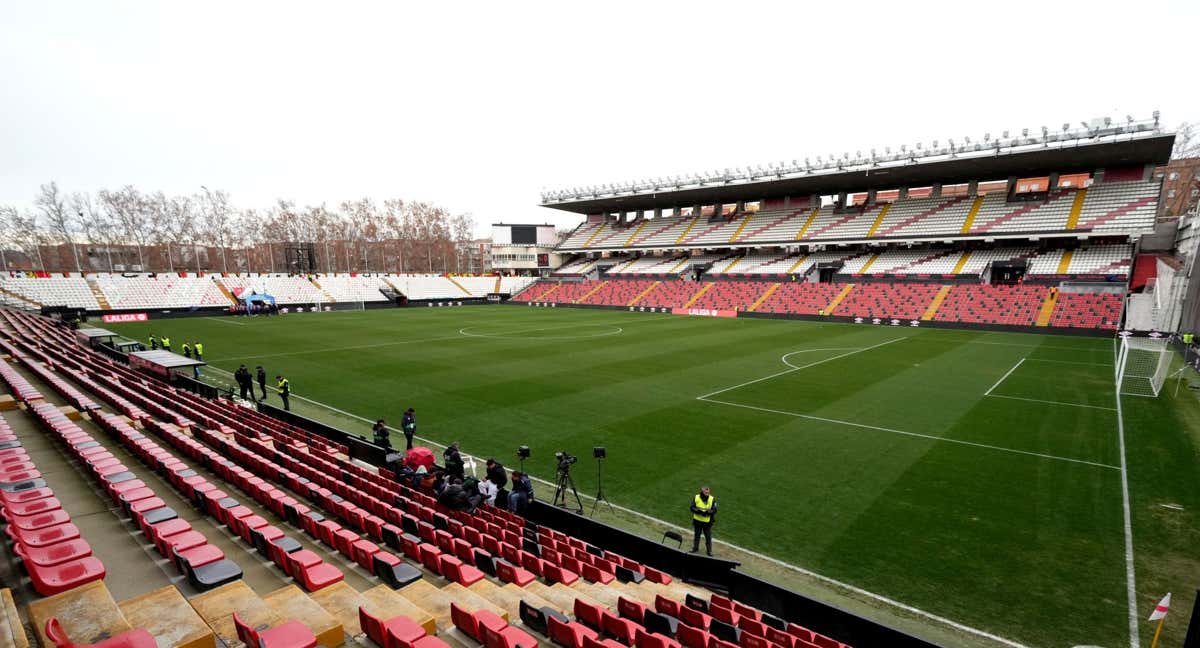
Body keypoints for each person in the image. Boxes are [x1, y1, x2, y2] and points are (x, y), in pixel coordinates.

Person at [690, 486, 717, 556]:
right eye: (706, 492)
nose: (707, 494)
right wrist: (698, 511)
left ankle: (709, 551)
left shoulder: (712, 499)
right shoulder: (696, 497)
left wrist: (707, 513)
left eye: (708, 492)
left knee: (708, 537)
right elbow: (692, 507)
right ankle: (695, 548)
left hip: (707, 523)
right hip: (697, 521)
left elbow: (714, 510)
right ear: (702, 492)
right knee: (697, 536)